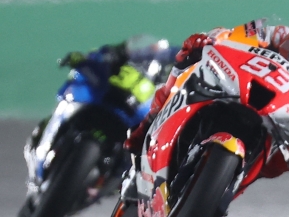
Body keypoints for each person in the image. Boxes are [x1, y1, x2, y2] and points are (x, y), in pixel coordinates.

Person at [122, 15, 289, 195]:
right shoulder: (283, 36)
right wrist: (207, 41)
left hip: (280, 133)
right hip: (241, 91)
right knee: (189, 59)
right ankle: (150, 123)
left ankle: (228, 185)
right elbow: (230, 36)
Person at [28, 35, 179, 149]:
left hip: (135, 111)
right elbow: (107, 53)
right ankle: (47, 134)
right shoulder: (138, 55)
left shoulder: (172, 72)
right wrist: (92, 59)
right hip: (110, 92)